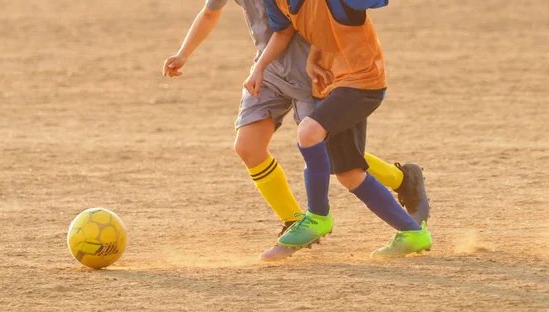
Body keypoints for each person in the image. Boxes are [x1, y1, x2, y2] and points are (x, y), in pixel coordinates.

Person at [164, 0, 430, 260]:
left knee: (332, 153)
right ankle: (295, 221)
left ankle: (400, 180)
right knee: (248, 146)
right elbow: (212, 14)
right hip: (269, 71)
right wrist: (184, 53)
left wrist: (315, 56)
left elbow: (317, 22)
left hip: (314, 75)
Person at [243, 0, 432, 258]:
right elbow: (306, 29)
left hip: (362, 81)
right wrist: (268, 67)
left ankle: (318, 216)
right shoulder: (276, 3)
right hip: (332, 83)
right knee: (349, 173)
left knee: (309, 132)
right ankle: (412, 233)